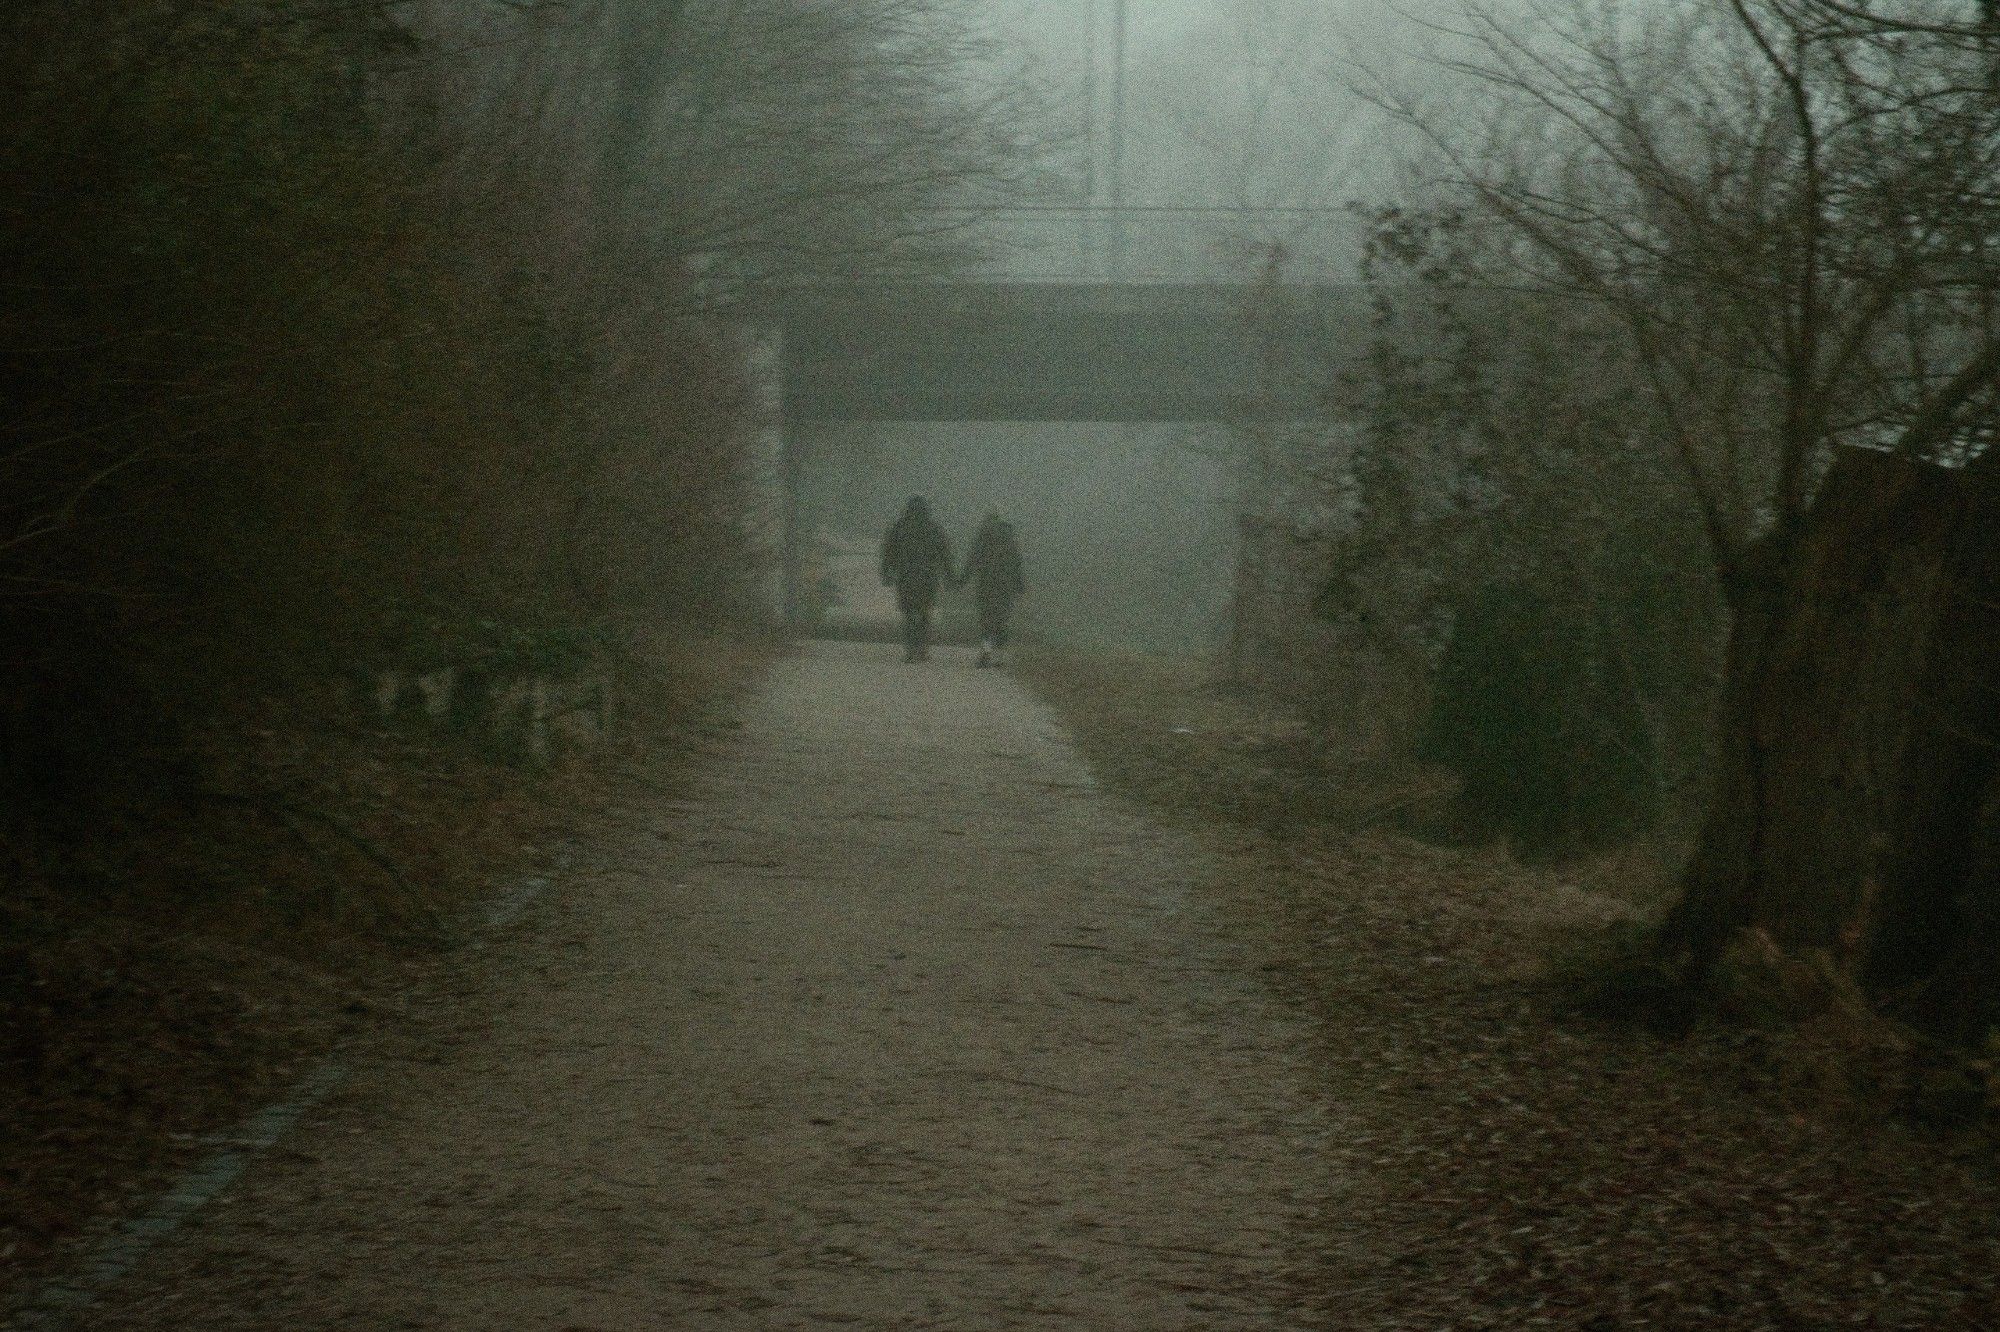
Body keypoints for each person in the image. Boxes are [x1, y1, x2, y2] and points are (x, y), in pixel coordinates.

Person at [879, 496, 954, 662]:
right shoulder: (934, 528)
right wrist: (950, 577)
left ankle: (911, 649)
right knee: (925, 614)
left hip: (905, 578)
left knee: (909, 613)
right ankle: (922, 649)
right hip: (928, 579)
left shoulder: (899, 527)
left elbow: (889, 553)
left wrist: (886, 572)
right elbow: (945, 555)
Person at [960, 512, 1026, 668]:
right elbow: (1016, 563)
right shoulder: (1010, 539)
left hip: (986, 584)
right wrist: (1019, 585)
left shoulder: (983, 537)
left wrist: (962, 580)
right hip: (1005, 586)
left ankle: (986, 651)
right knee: (1001, 620)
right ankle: (1000, 656)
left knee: (987, 619)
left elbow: (973, 560)